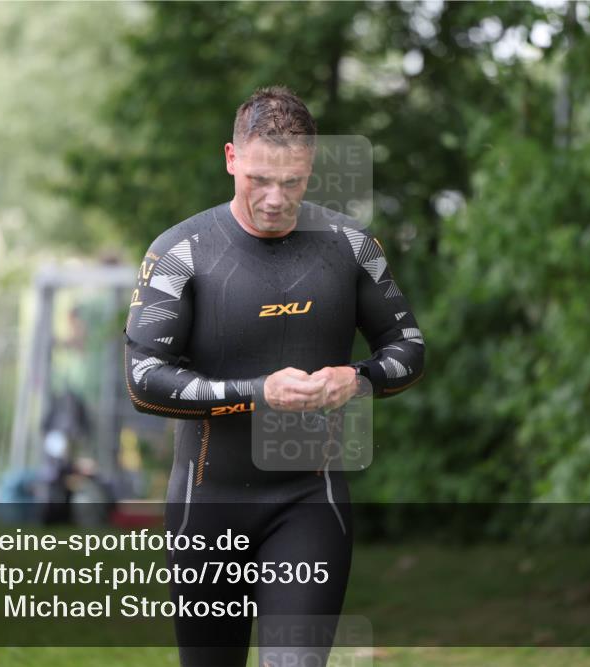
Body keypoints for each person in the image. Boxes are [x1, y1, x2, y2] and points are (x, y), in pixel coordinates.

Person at [123, 85, 424, 667]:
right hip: (206, 508)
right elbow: (142, 378)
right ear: (232, 158)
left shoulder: (350, 246)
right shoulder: (181, 252)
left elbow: (408, 347)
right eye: (259, 178)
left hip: (310, 501)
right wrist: (257, 393)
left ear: (312, 167)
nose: (274, 198)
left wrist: (357, 379)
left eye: (292, 181)